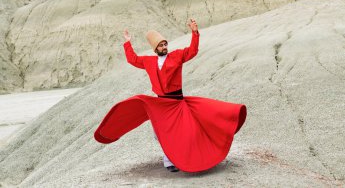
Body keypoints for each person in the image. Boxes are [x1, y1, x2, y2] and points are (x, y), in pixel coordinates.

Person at [94, 19, 246, 173]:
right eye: (161, 45)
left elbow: (192, 51)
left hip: (177, 102)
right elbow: (132, 59)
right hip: (161, 104)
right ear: (155, 48)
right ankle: (170, 160)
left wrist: (194, 33)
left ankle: (188, 158)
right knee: (159, 134)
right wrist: (127, 43)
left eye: (165, 44)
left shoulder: (177, 56)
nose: (164, 47)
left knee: (187, 131)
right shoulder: (148, 61)